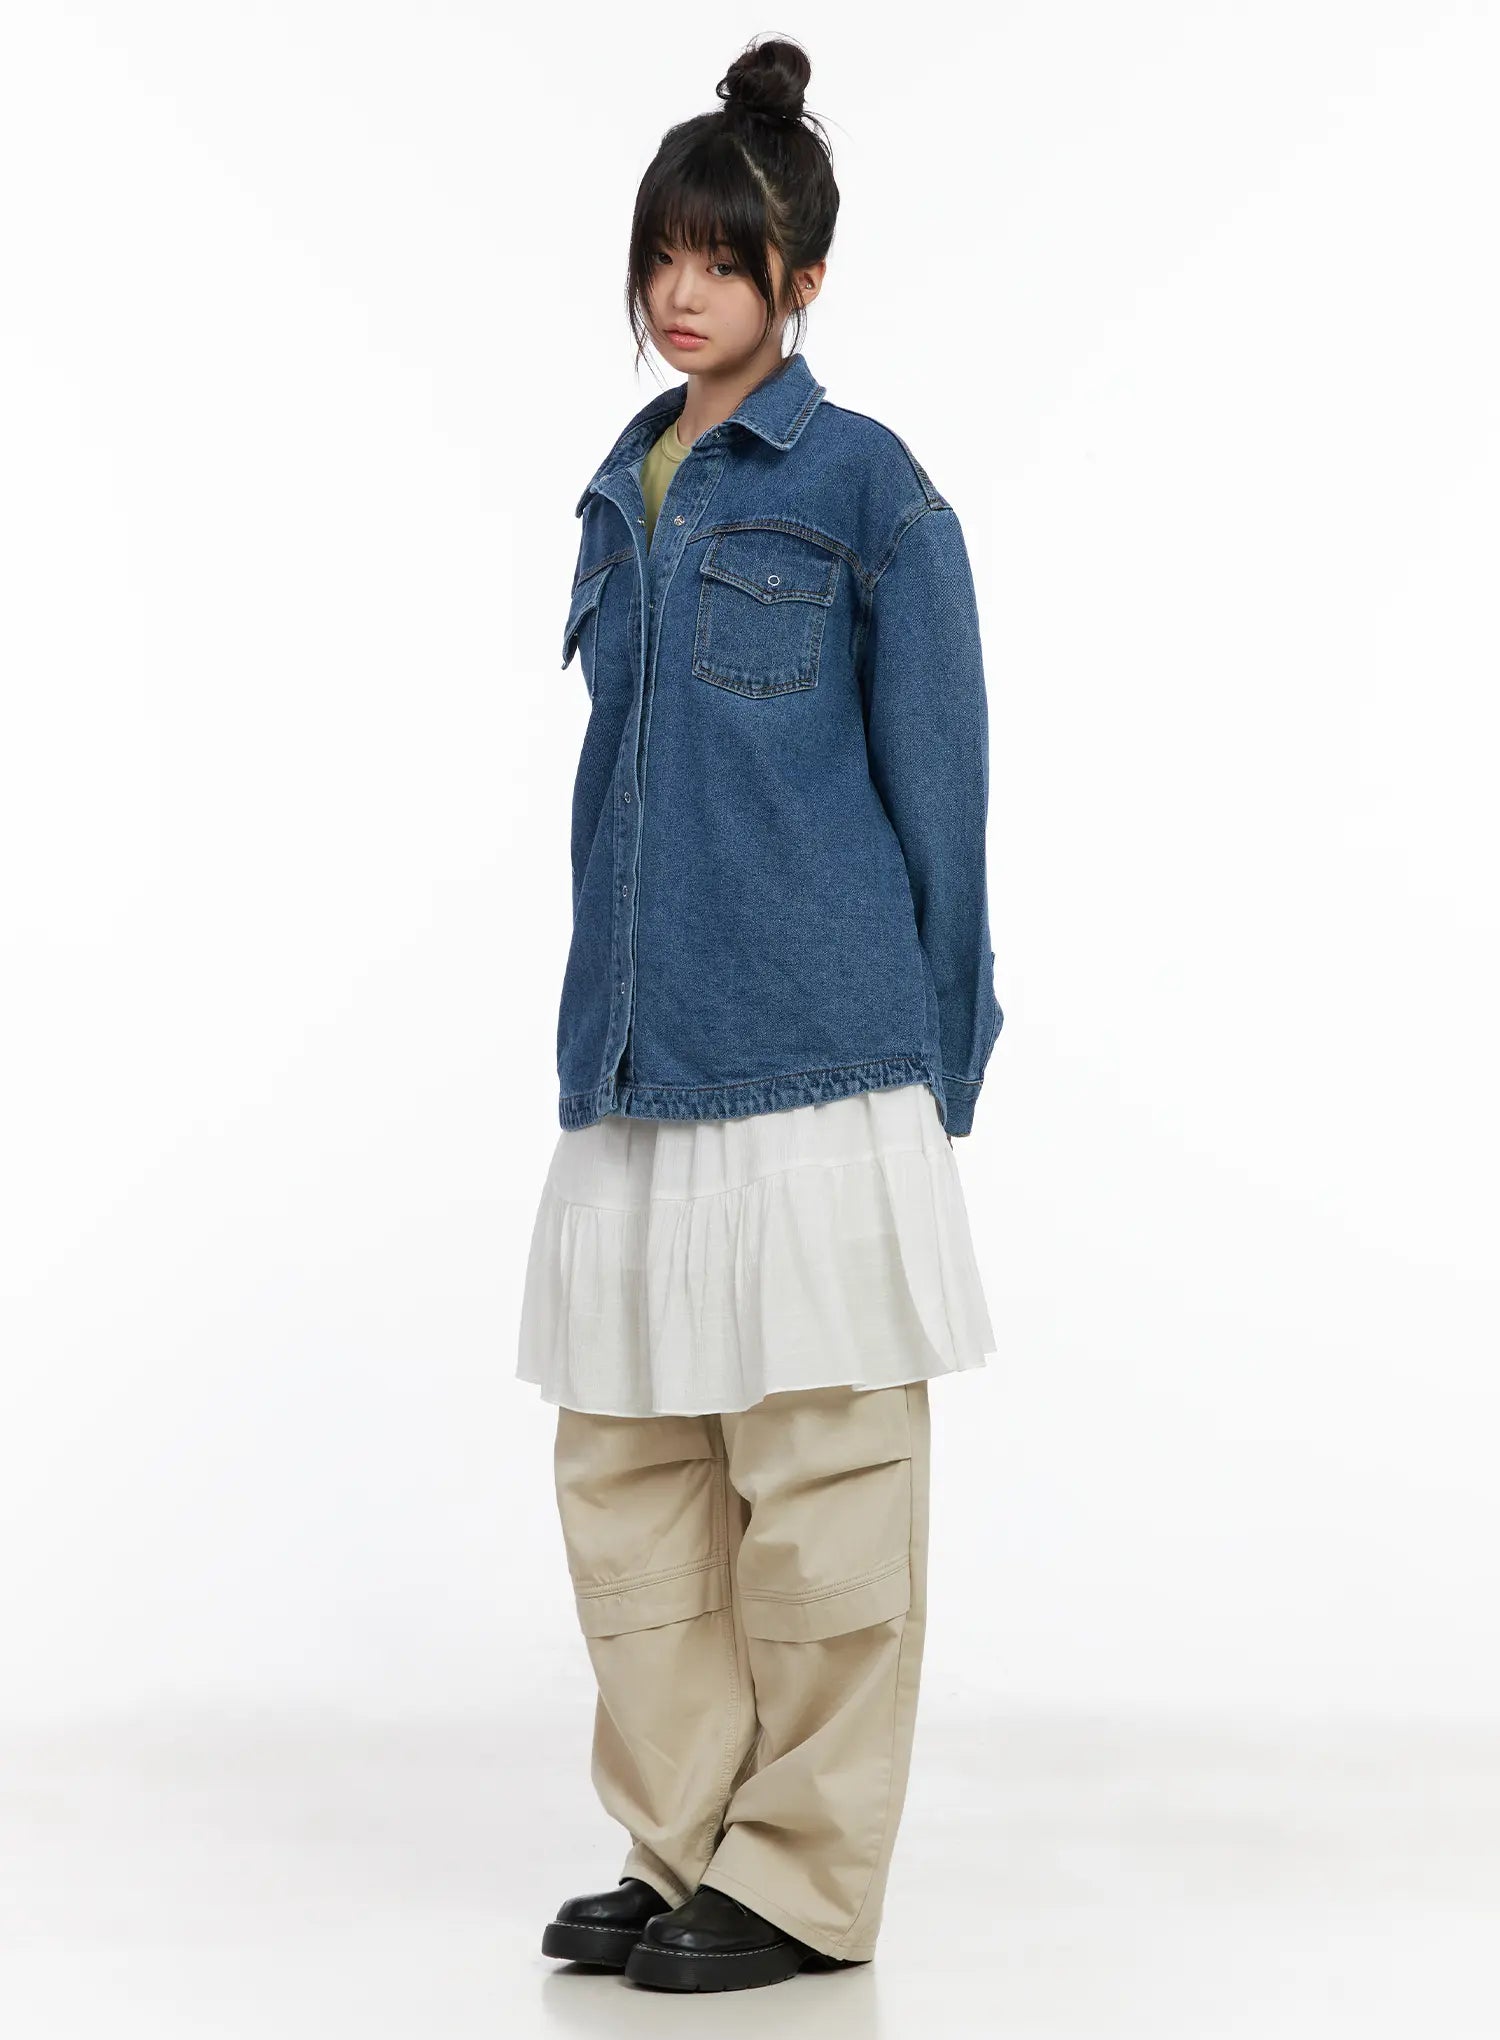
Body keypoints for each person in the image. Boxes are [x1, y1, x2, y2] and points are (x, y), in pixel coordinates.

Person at [517, 34, 1003, 1993]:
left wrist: (944, 1042)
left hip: (816, 1049)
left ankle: (801, 1878)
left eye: (721, 258)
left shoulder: (869, 487)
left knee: (821, 1485)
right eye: (661, 253)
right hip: (641, 1052)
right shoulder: (619, 488)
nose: (681, 289)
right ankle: (685, 1839)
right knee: (629, 1477)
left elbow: (941, 785)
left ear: (802, 275)